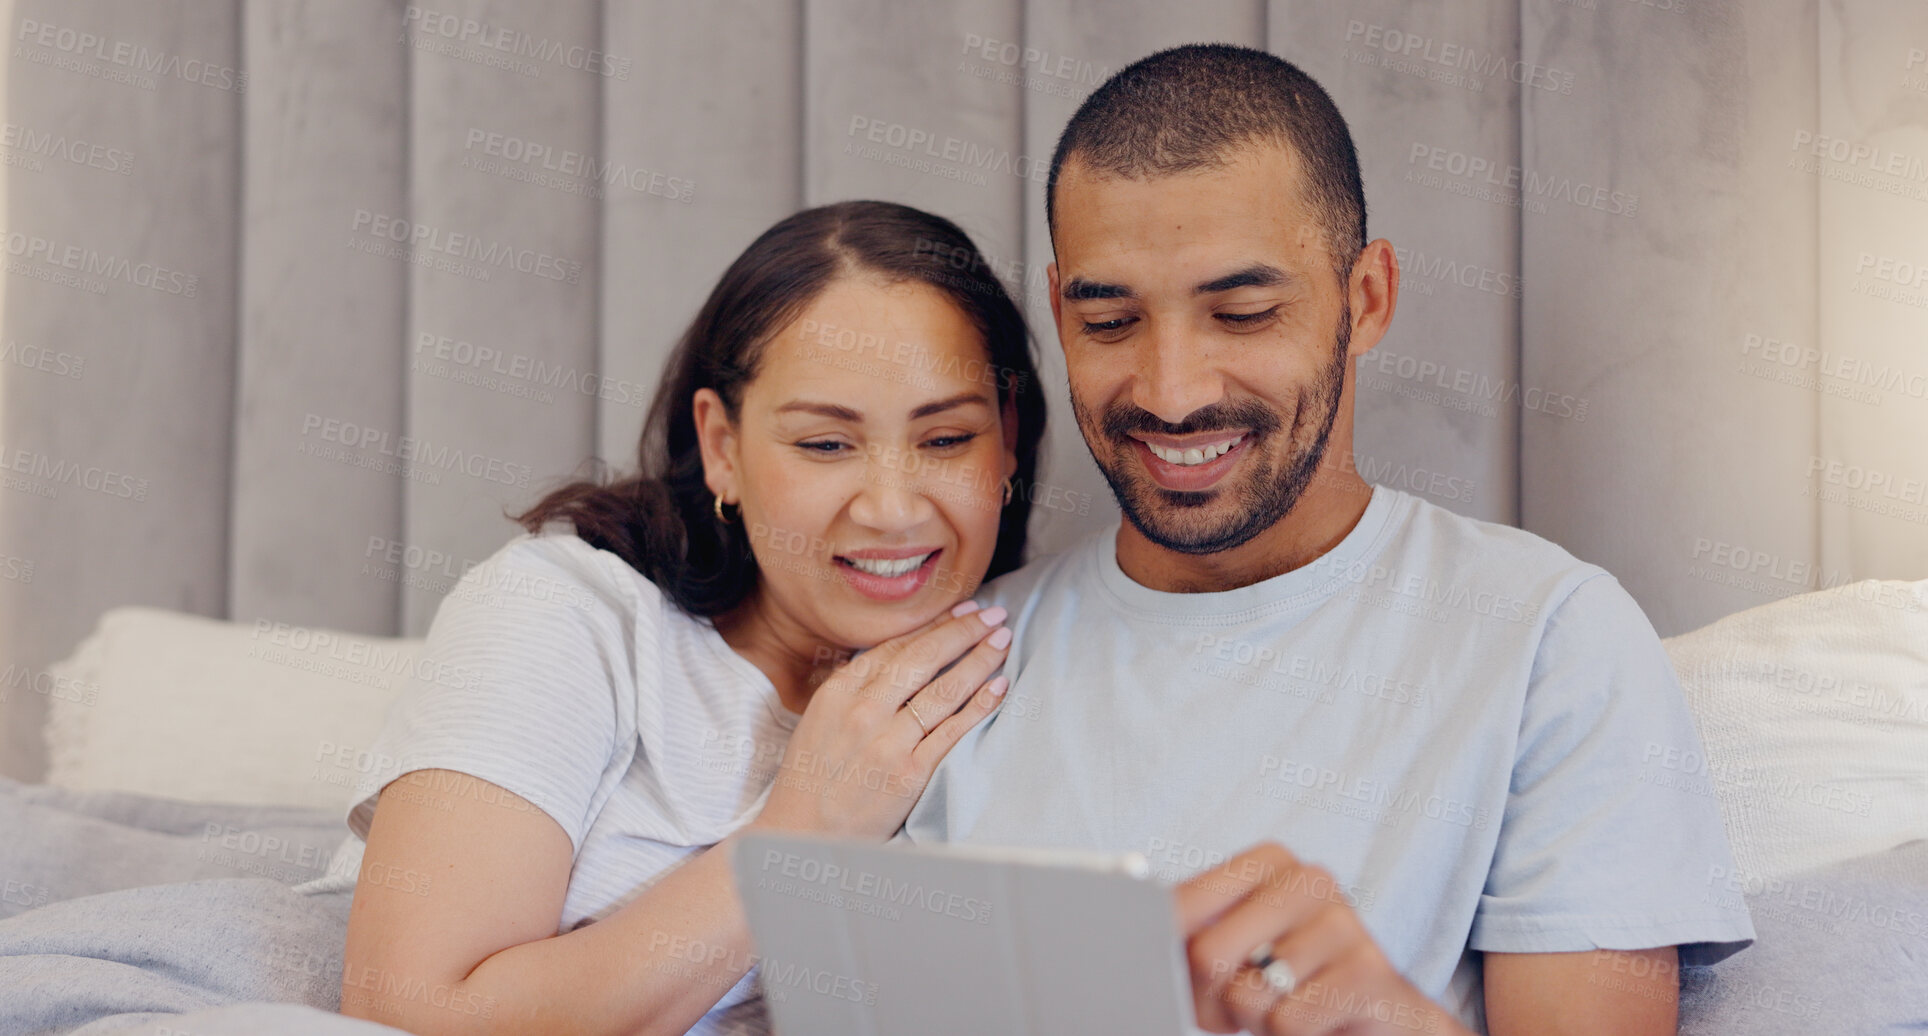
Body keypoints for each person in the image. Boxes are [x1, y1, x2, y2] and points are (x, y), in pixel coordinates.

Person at [901, 44, 1755, 1036]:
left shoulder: (1547, 640)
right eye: (1110, 320)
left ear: (1365, 301)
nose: (1170, 390)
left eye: (1243, 312)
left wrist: (1383, 1020)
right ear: (1057, 312)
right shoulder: (952, 664)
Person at [334, 200, 1048, 1035]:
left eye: (946, 439)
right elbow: (405, 1013)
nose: (893, 510)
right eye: (825, 444)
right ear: (722, 446)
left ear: (1005, 438)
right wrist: (798, 834)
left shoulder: (1033, 663)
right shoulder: (566, 614)